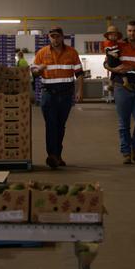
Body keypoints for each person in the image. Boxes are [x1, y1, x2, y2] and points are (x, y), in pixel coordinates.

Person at [31, 26, 84, 169]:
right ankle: (52, 156)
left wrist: (80, 91)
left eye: (57, 36)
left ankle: (57, 155)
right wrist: (38, 70)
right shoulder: (42, 53)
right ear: (49, 37)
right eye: (52, 36)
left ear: (62, 37)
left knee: (60, 126)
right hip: (49, 95)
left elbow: (79, 73)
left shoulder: (72, 53)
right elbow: (33, 73)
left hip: (66, 95)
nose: (55, 39)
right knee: (51, 125)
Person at [104, 20, 135, 164]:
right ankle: (126, 152)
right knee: (123, 123)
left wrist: (133, 67)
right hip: (121, 87)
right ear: (126, 32)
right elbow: (107, 63)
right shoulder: (118, 45)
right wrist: (116, 70)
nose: (132, 33)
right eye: (130, 31)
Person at [102, 25, 132, 91]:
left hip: (114, 60)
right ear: (108, 36)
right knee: (122, 69)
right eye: (111, 35)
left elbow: (121, 44)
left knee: (114, 72)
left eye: (115, 35)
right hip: (112, 59)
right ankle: (126, 82)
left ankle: (110, 84)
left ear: (117, 37)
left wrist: (124, 43)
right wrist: (112, 53)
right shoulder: (107, 43)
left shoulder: (116, 43)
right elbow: (107, 51)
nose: (113, 37)